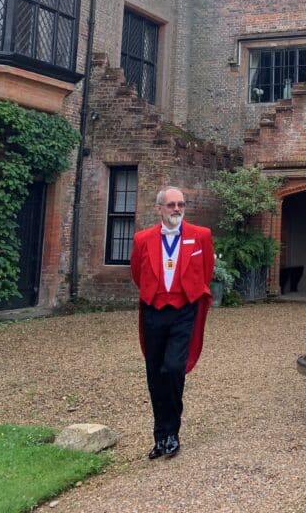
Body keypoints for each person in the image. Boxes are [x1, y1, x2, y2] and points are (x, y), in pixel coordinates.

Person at [129, 185, 215, 460]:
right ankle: (160, 436)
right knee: (155, 374)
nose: (176, 209)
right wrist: (154, 293)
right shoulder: (142, 239)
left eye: (180, 204)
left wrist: (187, 293)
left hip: (184, 310)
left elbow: (207, 271)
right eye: (171, 205)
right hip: (154, 310)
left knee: (174, 368)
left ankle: (173, 431)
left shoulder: (200, 236)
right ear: (159, 209)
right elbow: (137, 273)